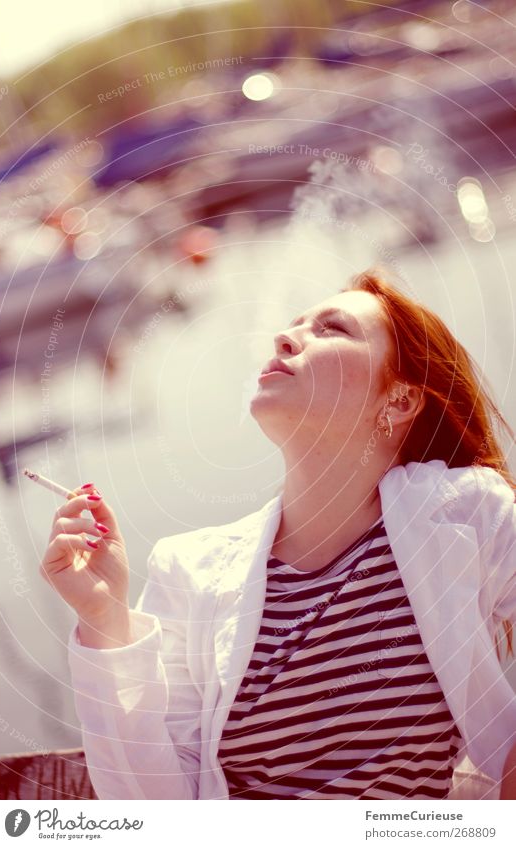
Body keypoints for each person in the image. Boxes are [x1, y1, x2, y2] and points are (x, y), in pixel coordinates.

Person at [40, 268, 516, 800]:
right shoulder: (192, 570)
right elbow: (154, 810)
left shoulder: (463, 513)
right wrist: (105, 621)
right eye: (293, 325)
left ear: (400, 401)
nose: (285, 338)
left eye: (331, 329)